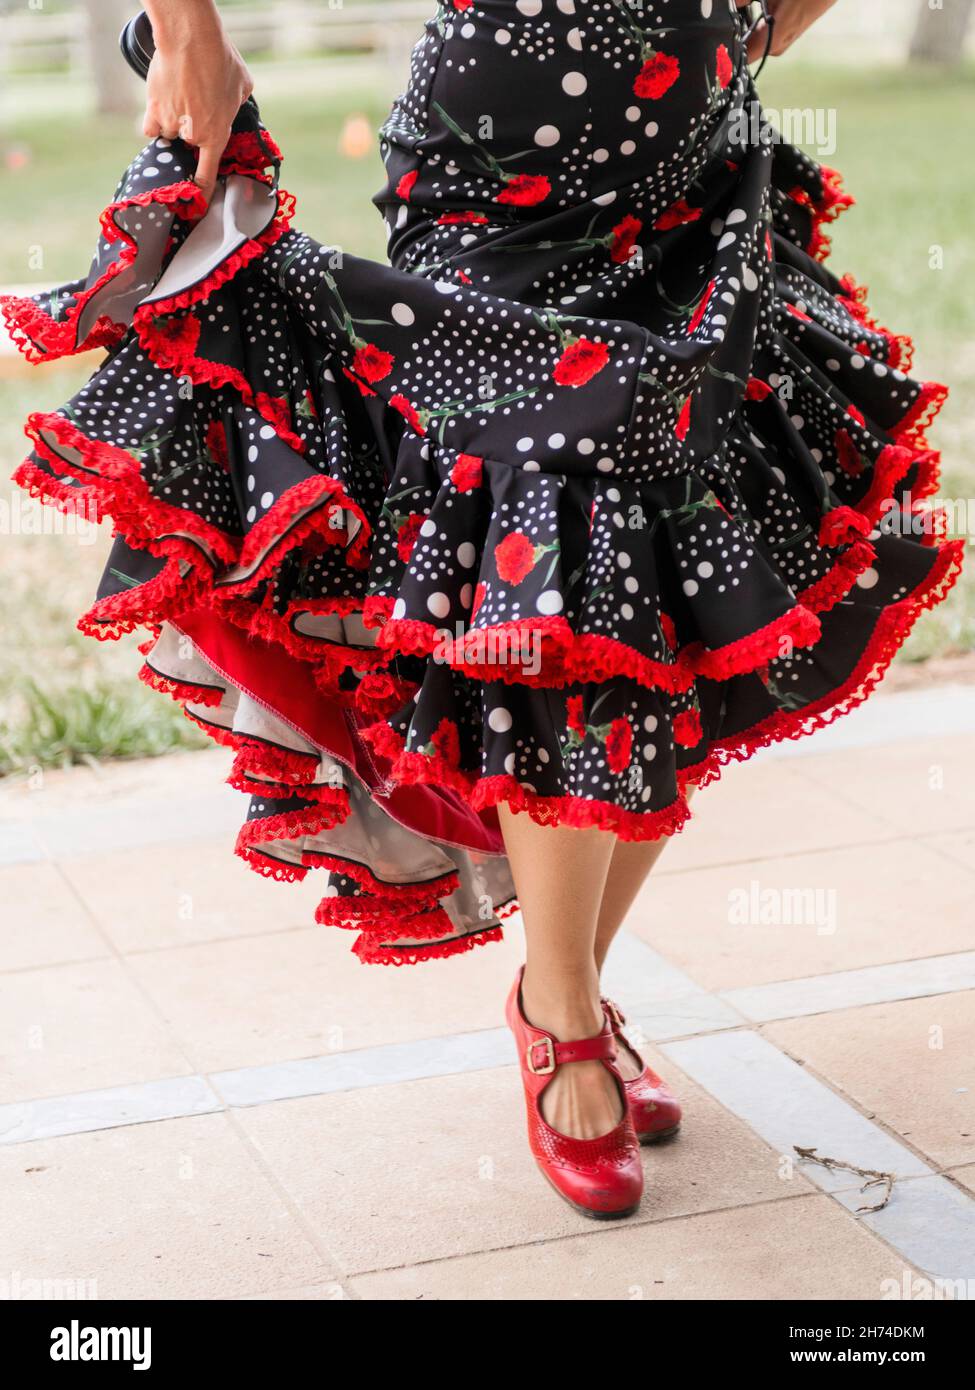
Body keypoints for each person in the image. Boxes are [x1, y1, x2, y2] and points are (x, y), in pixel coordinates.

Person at [4, 0, 960, 1220]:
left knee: (685, 606)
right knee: (565, 585)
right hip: (507, 165)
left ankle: (562, 994)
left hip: (697, 165)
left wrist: (760, 23)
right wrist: (190, 31)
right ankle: (563, 1020)